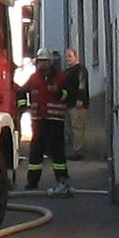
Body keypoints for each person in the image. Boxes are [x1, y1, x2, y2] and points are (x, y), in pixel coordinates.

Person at [17, 47, 70, 192]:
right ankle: (32, 181)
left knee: (57, 151)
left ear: (50, 62)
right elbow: (21, 91)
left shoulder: (60, 78)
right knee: (35, 152)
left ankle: (62, 179)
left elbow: (68, 95)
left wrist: (57, 92)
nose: (42, 65)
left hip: (55, 120)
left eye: (45, 62)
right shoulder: (34, 78)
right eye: (40, 62)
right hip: (38, 120)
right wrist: (23, 107)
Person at [63, 48, 89, 160]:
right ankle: (73, 150)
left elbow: (82, 84)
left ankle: (78, 152)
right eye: (66, 56)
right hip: (68, 104)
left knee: (77, 127)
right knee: (70, 129)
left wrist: (80, 99)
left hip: (77, 104)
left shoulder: (81, 70)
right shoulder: (67, 72)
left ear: (76, 57)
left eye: (70, 56)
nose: (67, 59)